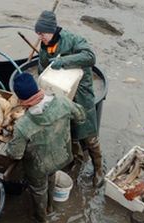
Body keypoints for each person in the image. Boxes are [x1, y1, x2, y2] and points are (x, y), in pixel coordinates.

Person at [6, 72, 86, 223]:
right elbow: (81, 116)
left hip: (38, 168)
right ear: (37, 89)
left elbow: (15, 155)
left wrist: (10, 146)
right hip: (62, 155)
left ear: (22, 101)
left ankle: (41, 219)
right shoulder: (62, 101)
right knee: (52, 175)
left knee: (38, 190)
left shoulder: (22, 126)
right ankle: (50, 207)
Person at [34, 10, 104, 187]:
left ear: (51, 31)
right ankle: (76, 160)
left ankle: (98, 170)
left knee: (89, 135)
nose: (39, 36)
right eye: (38, 33)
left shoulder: (72, 39)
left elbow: (90, 57)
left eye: (42, 33)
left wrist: (63, 61)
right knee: (69, 131)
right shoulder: (45, 45)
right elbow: (42, 67)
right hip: (60, 94)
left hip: (80, 91)